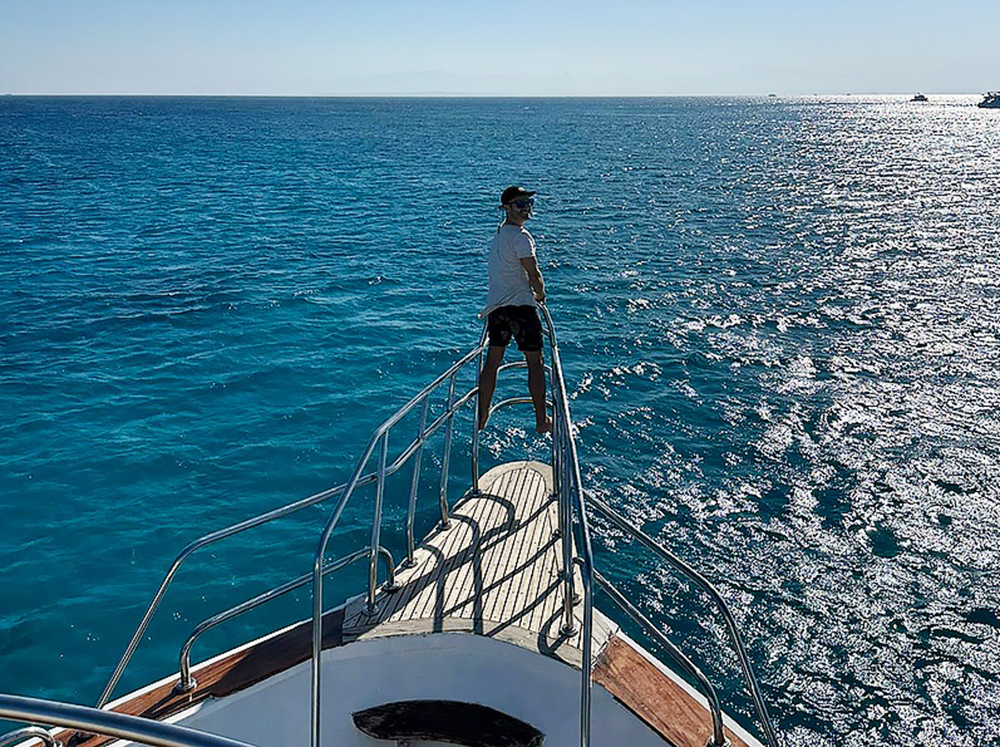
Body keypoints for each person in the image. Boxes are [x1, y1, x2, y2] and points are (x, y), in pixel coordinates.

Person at [478, 185, 552, 434]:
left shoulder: (499, 236)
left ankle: (482, 415)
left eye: (528, 203)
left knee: (492, 363)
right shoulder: (522, 237)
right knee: (535, 363)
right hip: (521, 308)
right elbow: (534, 274)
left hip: (497, 309)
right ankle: (542, 420)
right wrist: (540, 294)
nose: (526, 208)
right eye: (520, 204)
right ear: (506, 208)